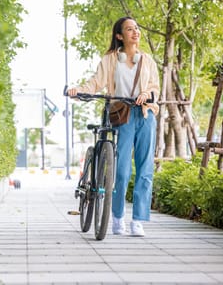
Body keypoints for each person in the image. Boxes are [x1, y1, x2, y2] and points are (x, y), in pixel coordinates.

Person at [67, 16, 160, 237]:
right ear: (120, 35)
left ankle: (138, 220)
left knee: (145, 169)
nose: (135, 32)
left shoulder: (147, 61)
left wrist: (147, 93)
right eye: (130, 29)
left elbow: (156, 86)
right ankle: (117, 217)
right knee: (121, 171)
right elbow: (95, 82)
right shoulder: (110, 60)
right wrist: (77, 91)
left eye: (136, 28)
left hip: (146, 115)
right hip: (122, 114)